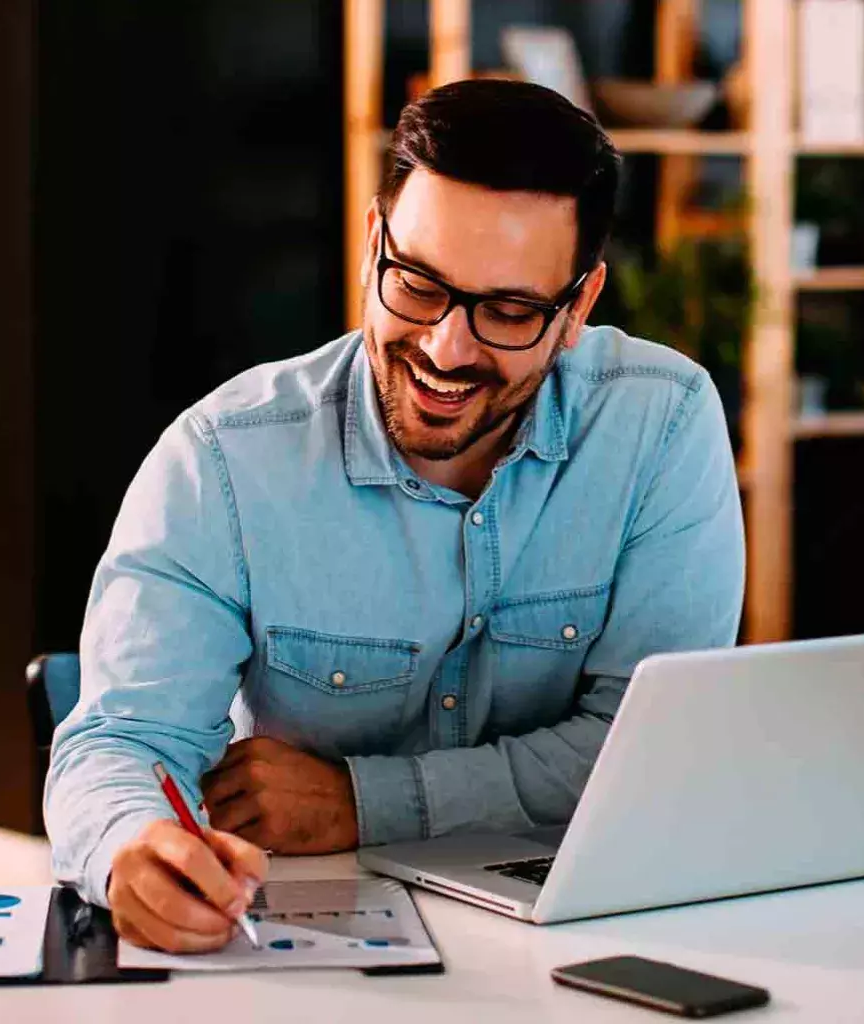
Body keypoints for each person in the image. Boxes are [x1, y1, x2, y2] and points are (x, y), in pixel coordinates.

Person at [46, 79, 746, 953]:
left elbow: (643, 751)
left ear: (579, 306)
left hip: (582, 937)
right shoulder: (224, 459)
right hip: (310, 948)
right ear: (374, 242)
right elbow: (117, 743)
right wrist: (130, 849)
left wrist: (360, 801)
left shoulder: (662, 423)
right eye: (417, 283)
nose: (447, 348)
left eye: (510, 310)